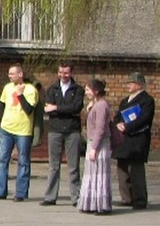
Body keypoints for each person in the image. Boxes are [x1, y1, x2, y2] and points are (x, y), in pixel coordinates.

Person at [0, 63, 38, 202]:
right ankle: (0, 191)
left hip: (23, 130)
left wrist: (20, 94)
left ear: (20, 74)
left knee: (23, 161)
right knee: (2, 160)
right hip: (6, 128)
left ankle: (21, 193)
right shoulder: (7, 88)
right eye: (9, 73)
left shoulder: (30, 90)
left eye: (12, 73)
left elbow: (29, 109)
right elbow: (3, 106)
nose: (9, 76)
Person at [40, 62, 84, 207]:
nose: (63, 75)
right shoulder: (52, 89)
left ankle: (76, 197)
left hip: (72, 130)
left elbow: (76, 108)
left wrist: (57, 107)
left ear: (71, 73)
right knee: (53, 165)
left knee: (73, 166)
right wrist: (62, 109)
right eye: (60, 72)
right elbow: (48, 108)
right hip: (55, 130)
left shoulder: (77, 89)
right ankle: (50, 196)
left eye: (66, 73)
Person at [112, 72, 155, 210]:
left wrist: (128, 126)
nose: (128, 85)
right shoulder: (125, 101)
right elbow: (118, 116)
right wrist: (118, 123)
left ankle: (140, 199)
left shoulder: (147, 100)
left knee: (136, 170)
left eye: (131, 83)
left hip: (137, 138)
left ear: (139, 84)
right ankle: (126, 198)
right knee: (122, 169)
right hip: (123, 138)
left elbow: (144, 119)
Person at [77, 79, 112, 215]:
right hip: (94, 142)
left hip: (99, 144)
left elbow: (100, 128)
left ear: (96, 91)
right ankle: (91, 204)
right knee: (92, 175)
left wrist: (94, 148)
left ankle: (102, 206)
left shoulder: (102, 105)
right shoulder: (96, 105)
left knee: (99, 175)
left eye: (88, 90)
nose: (86, 93)